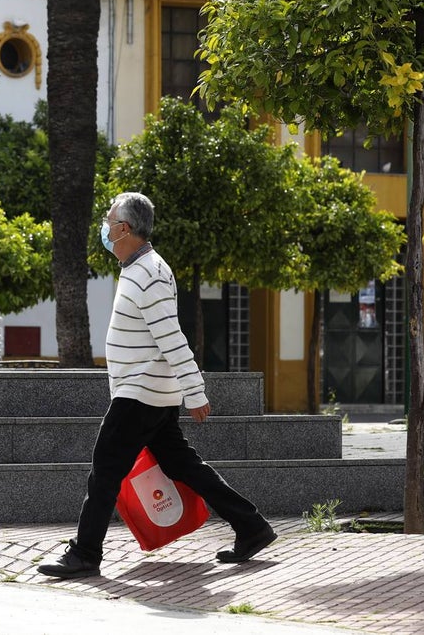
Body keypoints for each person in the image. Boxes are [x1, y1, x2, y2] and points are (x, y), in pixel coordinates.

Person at [37, 192, 275, 579]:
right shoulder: (141, 269)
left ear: (124, 229)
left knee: (105, 471)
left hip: (140, 393)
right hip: (150, 392)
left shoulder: (148, 273)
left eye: (109, 220)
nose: (105, 226)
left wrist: (195, 390)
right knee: (185, 466)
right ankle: (252, 527)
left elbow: (171, 336)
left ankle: (84, 554)